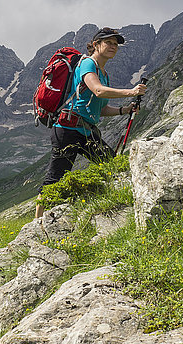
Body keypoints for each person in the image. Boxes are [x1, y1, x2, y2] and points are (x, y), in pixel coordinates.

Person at [35, 27, 147, 219]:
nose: (113, 46)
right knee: (56, 177)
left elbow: (101, 108)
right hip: (67, 129)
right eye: (108, 43)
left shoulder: (104, 73)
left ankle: (114, 208)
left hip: (86, 130)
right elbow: (99, 91)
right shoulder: (87, 64)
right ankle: (35, 223)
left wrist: (124, 110)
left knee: (112, 165)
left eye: (116, 44)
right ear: (96, 45)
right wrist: (131, 92)